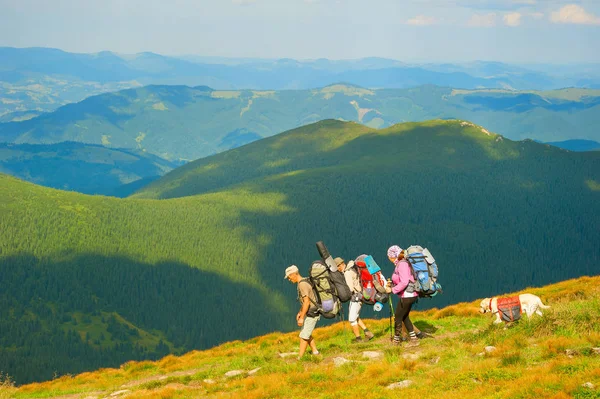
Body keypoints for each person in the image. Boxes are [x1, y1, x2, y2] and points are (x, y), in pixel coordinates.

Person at [335, 257, 375, 342]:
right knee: (356, 316)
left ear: (341, 264)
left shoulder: (347, 273)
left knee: (352, 319)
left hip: (356, 297)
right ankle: (368, 333)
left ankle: (358, 339)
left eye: (338, 266)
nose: (338, 269)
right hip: (360, 295)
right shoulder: (352, 268)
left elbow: (350, 289)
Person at [284, 264, 320, 359]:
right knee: (306, 332)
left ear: (294, 274)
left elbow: (307, 302)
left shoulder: (302, 284)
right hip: (311, 311)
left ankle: (300, 357)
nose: (289, 279)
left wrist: (302, 318)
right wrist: (300, 312)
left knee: (303, 336)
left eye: (289, 277)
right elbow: (305, 302)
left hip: (312, 312)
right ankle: (315, 352)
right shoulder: (304, 281)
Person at [387, 245, 420, 346]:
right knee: (405, 316)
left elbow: (405, 282)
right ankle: (414, 339)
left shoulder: (402, 264)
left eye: (389, 256)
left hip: (407, 295)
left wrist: (392, 290)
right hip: (411, 294)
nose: (389, 258)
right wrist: (392, 283)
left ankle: (396, 341)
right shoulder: (405, 262)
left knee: (398, 317)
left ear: (393, 256)